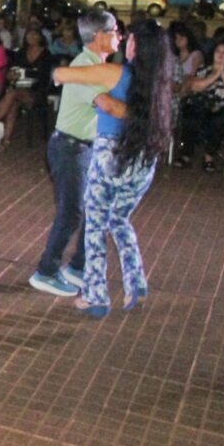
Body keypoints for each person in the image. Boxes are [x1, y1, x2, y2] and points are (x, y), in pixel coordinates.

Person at [52, 19, 174, 318]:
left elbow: (65, 74)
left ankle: (95, 296)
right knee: (118, 219)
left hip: (111, 155)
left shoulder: (115, 72)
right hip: (143, 161)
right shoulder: (160, 82)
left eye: (129, 38)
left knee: (95, 224)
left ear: (138, 46)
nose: (125, 42)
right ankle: (136, 282)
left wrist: (78, 83)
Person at [28, 9, 119, 298]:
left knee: (95, 210)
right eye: (115, 30)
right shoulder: (84, 68)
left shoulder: (97, 66)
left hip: (85, 147)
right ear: (98, 36)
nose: (119, 35)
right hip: (70, 149)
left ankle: (78, 267)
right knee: (71, 213)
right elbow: (107, 105)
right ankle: (46, 271)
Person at [0, 27, 52, 149]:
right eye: (29, 34)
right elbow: (11, 70)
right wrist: (11, 75)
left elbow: (43, 77)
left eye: (34, 34)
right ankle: (6, 140)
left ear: (40, 37)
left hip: (36, 91)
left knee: (12, 94)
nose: (31, 37)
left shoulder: (45, 54)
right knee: (12, 102)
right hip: (19, 87)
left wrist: (27, 74)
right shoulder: (22, 52)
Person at [177, 41, 224, 172]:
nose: (221, 55)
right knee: (190, 116)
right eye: (218, 52)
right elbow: (195, 87)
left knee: (220, 120)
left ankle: (209, 156)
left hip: (222, 107)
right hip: (200, 104)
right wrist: (215, 75)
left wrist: (223, 73)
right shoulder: (204, 69)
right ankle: (186, 154)